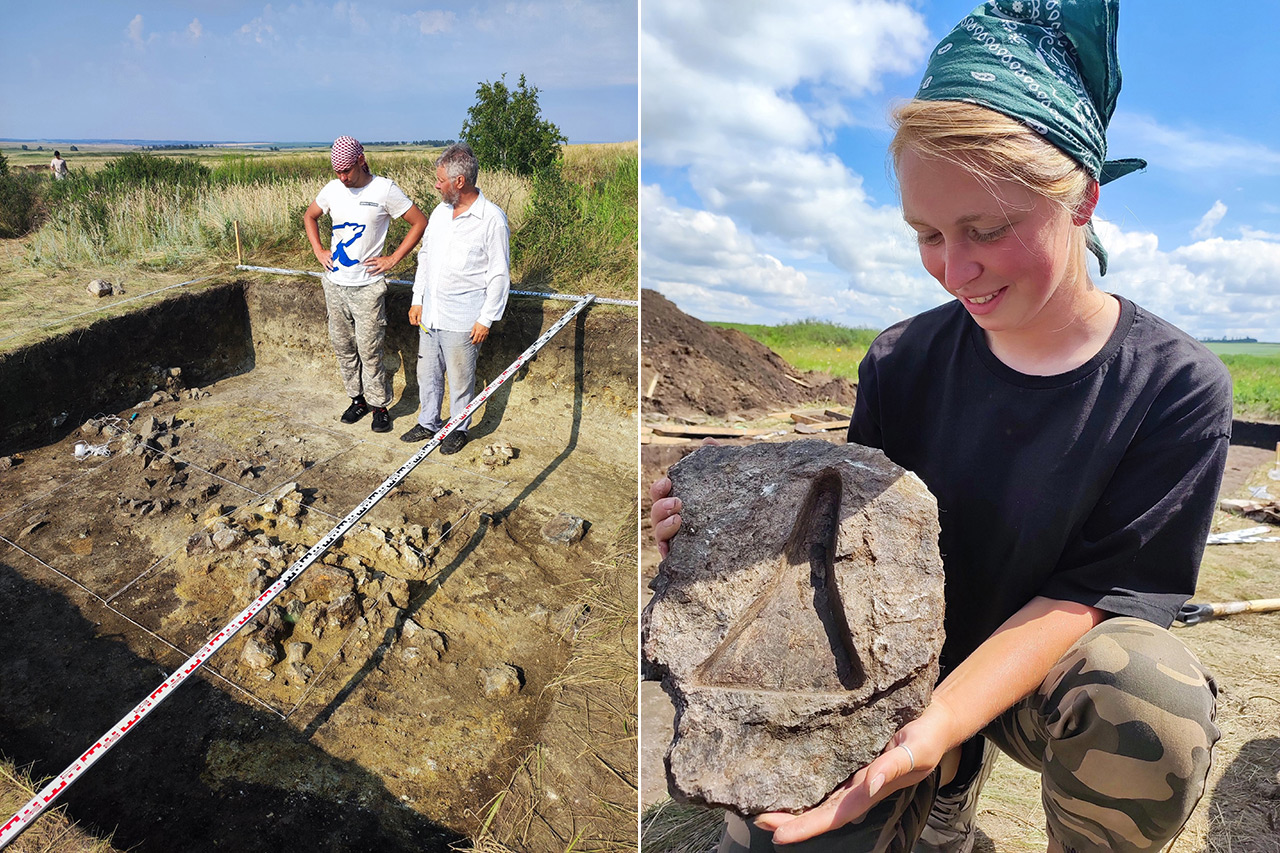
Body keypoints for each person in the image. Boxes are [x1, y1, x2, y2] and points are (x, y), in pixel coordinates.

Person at [649, 2, 1231, 851]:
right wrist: (715, 542)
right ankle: (946, 790)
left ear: (1082, 200)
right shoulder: (901, 360)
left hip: (1043, 681)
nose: (955, 270)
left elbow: (1096, 595)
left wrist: (940, 724)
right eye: (926, 233)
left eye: (987, 230)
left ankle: (962, 771)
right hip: (895, 664)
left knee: (1147, 695)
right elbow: (833, 545)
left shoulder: (1175, 387)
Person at [304, 136, 427, 434]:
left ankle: (379, 407)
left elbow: (419, 222)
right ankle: (357, 399)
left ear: (361, 161)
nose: (343, 177)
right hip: (334, 284)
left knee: (370, 348)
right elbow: (310, 216)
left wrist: (394, 258)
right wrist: (319, 250)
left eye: (347, 170)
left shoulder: (384, 189)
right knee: (343, 345)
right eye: (337, 171)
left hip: (367, 287)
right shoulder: (333, 189)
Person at [400, 143, 510, 454]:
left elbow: (499, 275)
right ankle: (428, 421)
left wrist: (486, 319)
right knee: (428, 372)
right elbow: (426, 257)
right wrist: (417, 298)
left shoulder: (491, 219)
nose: (436, 185)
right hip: (431, 313)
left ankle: (457, 428)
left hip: (464, 317)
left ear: (459, 181)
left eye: (440, 180)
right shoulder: (439, 213)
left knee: (461, 379)